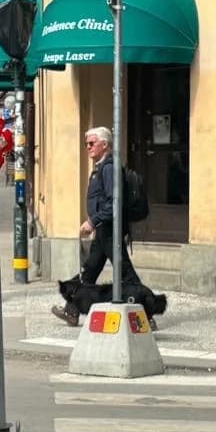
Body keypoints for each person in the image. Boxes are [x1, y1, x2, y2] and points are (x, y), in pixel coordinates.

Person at [50, 125, 141, 326]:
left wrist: (93, 221)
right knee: (89, 270)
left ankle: (146, 313)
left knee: (125, 272)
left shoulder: (109, 168)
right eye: (86, 144)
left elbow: (113, 202)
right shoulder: (101, 167)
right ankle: (72, 311)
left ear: (105, 144)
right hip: (104, 229)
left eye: (91, 143)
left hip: (110, 229)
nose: (88, 147)